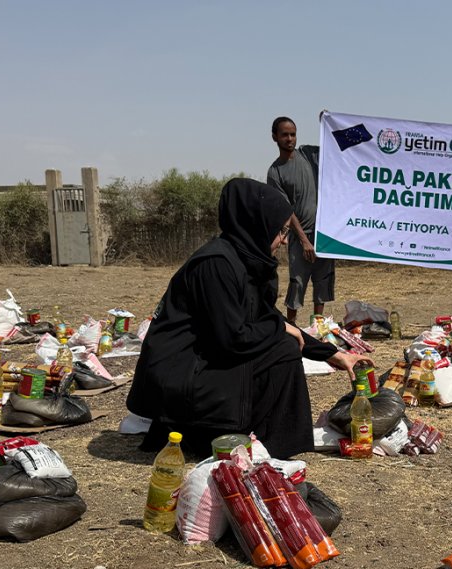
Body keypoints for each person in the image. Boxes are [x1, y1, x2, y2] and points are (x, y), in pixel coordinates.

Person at [127, 178, 368, 459]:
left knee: (282, 344)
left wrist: (332, 354)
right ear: (257, 224)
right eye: (280, 231)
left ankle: (251, 438)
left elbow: (266, 317)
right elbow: (234, 339)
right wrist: (279, 328)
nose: (284, 239)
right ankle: (246, 442)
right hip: (178, 376)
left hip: (199, 363)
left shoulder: (240, 259)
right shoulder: (216, 264)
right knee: (283, 350)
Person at [267, 115, 335, 325]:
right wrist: (304, 240)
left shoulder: (307, 154)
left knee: (323, 281)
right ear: (275, 137)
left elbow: (335, 149)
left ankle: (319, 327)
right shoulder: (275, 172)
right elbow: (286, 209)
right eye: (284, 135)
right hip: (299, 237)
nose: (290, 139)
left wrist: (328, 123)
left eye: (293, 134)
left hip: (323, 233)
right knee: (297, 282)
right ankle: (292, 327)